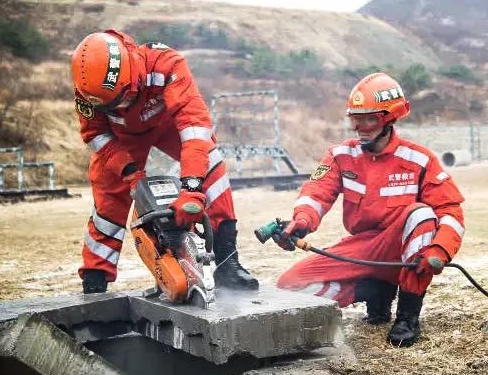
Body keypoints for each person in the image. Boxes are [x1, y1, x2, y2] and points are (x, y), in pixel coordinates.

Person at [275, 72, 465, 347]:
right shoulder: (340, 155)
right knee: (289, 287)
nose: (359, 126)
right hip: (362, 248)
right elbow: (316, 192)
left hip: (402, 251)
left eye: (369, 118)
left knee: (422, 214)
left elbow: (450, 210)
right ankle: (373, 291)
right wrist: (302, 220)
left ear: (390, 118)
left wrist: (440, 250)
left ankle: (408, 317)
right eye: (355, 118)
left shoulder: (420, 159)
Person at [71, 29, 258, 294]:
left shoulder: (167, 64)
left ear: (132, 75)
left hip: (168, 125)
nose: (120, 107)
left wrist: (192, 188)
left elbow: (194, 125)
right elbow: (95, 134)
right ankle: (94, 279)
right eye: (112, 105)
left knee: (212, 164)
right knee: (108, 199)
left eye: (123, 98)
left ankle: (228, 263)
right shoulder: (87, 92)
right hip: (121, 138)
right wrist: (129, 173)